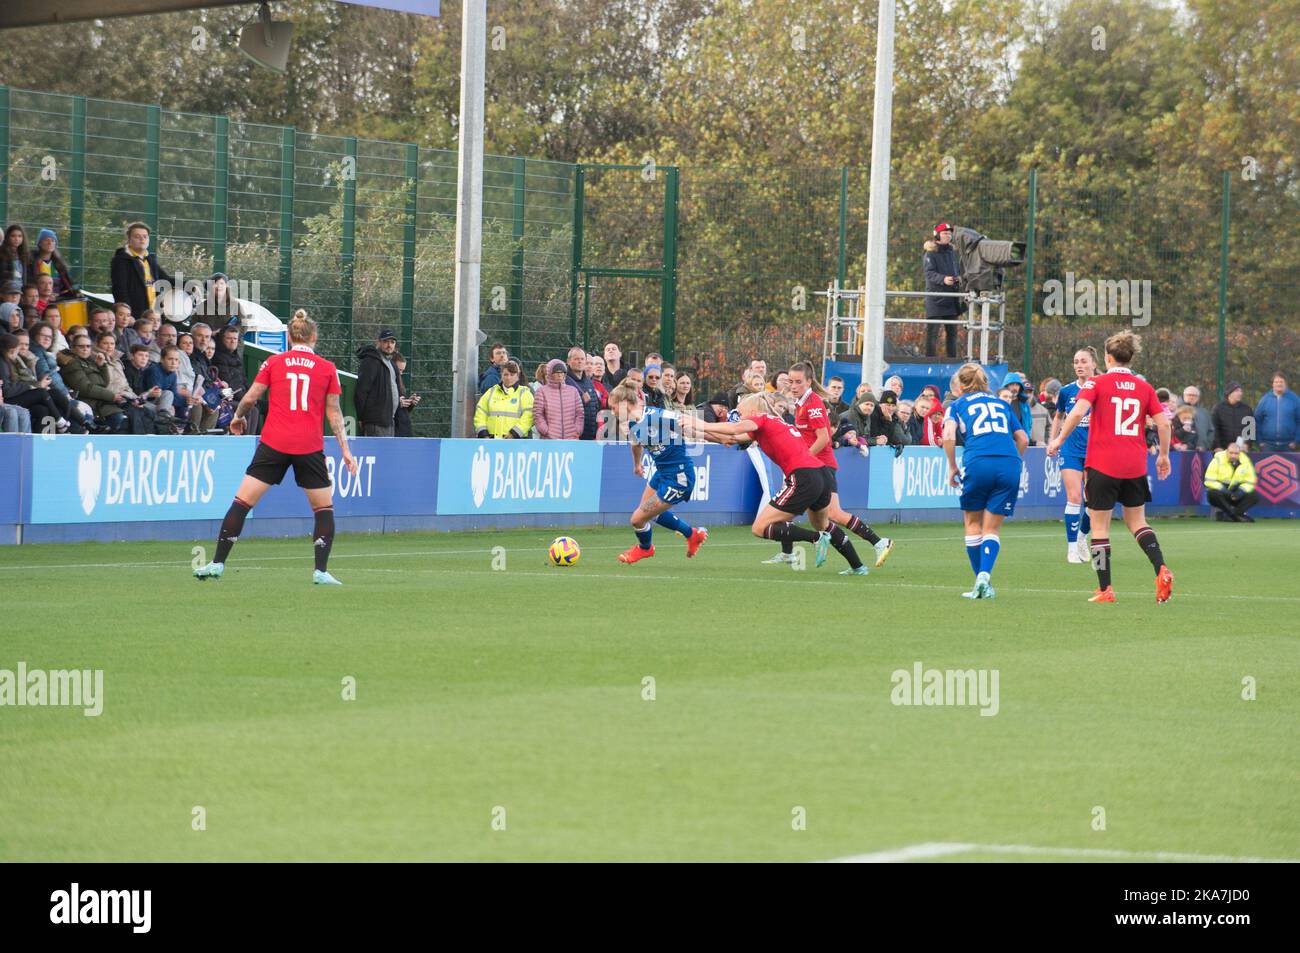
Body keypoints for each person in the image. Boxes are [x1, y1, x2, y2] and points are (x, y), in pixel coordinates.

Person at [195, 310, 357, 585]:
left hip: (274, 443)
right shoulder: (327, 368)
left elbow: (250, 397)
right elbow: (334, 414)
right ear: (314, 337)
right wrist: (345, 450)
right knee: (323, 509)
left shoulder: (274, 362)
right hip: (308, 445)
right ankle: (321, 571)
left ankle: (217, 563)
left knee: (242, 502)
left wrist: (236, 418)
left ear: (289, 336)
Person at [1048, 331, 1174, 605]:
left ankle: (1106, 589)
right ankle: (1161, 568)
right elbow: (1164, 424)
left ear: (1106, 358)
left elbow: (1078, 412)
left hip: (1102, 464)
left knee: (1100, 528)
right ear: (1131, 358)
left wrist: (1058, 439)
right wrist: (1163, 455)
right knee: (1138, 522)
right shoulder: (1145, 388)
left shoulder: (1095, 383)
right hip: (1134, 464)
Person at [681, 393, 845, 565]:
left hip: (804, 475)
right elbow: (730, 439)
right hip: (816, 473)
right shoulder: (767, 423)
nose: (740, 418)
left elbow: (735, 430)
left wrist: (700, 423)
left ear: (753, 410)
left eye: (741, 413)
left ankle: (817, 539)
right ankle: (855, 563)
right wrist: (698, 432)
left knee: (761, 527)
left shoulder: (762, 418)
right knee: (780, 523)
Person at [763, 361, 894, 573]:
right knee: (819, 521)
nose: (793, 385)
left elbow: (823, 438)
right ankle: (857, 565)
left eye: (798, 382)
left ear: (808, 382)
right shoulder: (801, 403)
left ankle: (879, 542)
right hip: (813, 466)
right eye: (790, 381)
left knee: (832, 514)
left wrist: (801, 460)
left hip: (820, 466)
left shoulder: (813, 404)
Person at [943, 363, 1029, 599]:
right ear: (986, 384)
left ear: (961, 386)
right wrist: (1013, 460)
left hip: (978, 462)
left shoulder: (957, 405)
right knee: (992, 528)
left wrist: (952, 466)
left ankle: (979, 582)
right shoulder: (1002, 404)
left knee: (973, 524)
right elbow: (1022, 437)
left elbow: (948, 435)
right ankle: (985, 577)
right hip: (1008, 464)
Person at [605, 380, 709, 564]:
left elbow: (687, 424)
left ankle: (646, 549)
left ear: (624, 404)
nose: (612, 412)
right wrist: (637, 465)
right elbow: (636, 444)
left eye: (613, 408)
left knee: (637, 519)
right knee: (644, 514)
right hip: (661, 473)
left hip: (679, 476)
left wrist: (719, 435)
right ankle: (692, 535)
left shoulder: (657, 415)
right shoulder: (632, 425)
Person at [1050, 347, 1098, 564]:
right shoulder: (1067, 390)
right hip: (1070, 448)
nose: (1079, 365)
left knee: (1093, 501)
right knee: (1074, 497)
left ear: (1094, 364)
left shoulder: (1102, 388)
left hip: (1095, 450)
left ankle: (1082, 537)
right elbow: (1059, 416)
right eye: (1076, 361)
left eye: (1084, 361)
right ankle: (1071, 548)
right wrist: (1054, 440)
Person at [0, 331, 67, 432]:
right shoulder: (3, 364)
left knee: (42, 409)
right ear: (12, 350)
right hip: (7, 400)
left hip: (13, 396)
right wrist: (29, 386)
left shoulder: (10, 361)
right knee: (41, 393)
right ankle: (60, 421)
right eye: (18, 350)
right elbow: (7, 391)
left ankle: (40, 441)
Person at [61, 334, 128, 432]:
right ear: (73, 348)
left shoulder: (89, 361)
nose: (85, 349)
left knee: (126, 418)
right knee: (118, 419)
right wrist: (111, 396)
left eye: (88, 346)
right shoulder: (72, 363)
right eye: (81, 346)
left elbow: (103, 383)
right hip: (88, 402)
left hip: (100, 402)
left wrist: (102, 366)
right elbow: (84, 387)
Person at [110, 222, 173, 322]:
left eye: (145, 236)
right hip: (135, 317)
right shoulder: (121, 260)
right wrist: (127, 314)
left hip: (154, 315)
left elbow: (167, 280)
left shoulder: (150, 260)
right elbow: (120, 289)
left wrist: (192, 286)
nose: (142, 239)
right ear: (129, 240)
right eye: (137, 236)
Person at [923, 222, 962, 359]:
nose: (948, 236)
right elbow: (929, 273)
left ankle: (952, 360)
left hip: (951, 298)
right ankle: (930, 361)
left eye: (950, 233)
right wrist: (943, 279)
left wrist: (958, 279)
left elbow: (957, 269)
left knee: (952, 333)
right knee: (932, 333)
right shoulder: (930, 253)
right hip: (935, 299)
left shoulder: (953, 252)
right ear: (937, 235)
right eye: (945, 233)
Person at [355, 328, 401, 436]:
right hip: (375, 422)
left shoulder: (393, 365)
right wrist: (361, 417)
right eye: (385, 341)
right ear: (378, 342)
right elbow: (362, 390)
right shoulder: (370, 361)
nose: (389, 345)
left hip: (390, 421)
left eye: (392, 342)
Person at [474, 359, 534, 438]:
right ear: (501, 375)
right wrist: (483, 433)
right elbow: (480, 414)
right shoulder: (491, 392)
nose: (508, 378)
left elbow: (529, 416)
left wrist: (514, 433)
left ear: (518, 376)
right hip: (490, 441)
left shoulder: (525, 393)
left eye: (512, 375)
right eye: (506, 374)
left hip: (516, 442)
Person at [1204, 443, 1258, 522]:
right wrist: (1224, 491)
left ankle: (1233, 515)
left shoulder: (1246, 462)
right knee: (1213, 493)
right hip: (1221, 492)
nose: (1233, 456)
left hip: (1236, 492)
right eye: (1231, 453)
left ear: (1240, 453)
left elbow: (1250, 481)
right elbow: (1209, 480)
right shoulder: (1217, 459)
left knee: (1254, 495)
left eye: (1236, 453)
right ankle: (1234, 516)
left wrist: (1241, 491)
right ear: (1226, 452)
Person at [533, 358, 583, 439]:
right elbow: (538, 415)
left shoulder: (573, 391)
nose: (560, 375)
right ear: (550, 373)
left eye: (562, 372)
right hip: (549, 441)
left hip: (571, 439)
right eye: (556, 372)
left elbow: (580, 414)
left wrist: (577, 430)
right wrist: (546, 431)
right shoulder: (541, 391)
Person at [1254, 373, 1299, 451]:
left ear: (1286, 384)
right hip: (1268, 445)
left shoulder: (1295, 399)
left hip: (1288, 446)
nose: (1279, 384)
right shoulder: (1265, 400)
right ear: (1272, 384)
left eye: (1281, 382)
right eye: (1276, 382)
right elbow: (1257, 420)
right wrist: (1259, 441)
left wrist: (1296, 441)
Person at [26, 228, 76, 297]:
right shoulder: (31, 263)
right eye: (46, 240)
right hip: (38, 300)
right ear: (39, 243)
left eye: (53, 241)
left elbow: (70, 285)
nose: (50, 243)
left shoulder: (59, 265)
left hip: (57, 301)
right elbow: (29, 283)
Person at [565, 345, 600, 439]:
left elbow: (595, 406)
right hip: (573, 436)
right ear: (568, 361)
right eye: (576, 359)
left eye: (582, 359)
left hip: (590, 435)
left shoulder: (589, 382)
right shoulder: (565, 382)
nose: (580, 361)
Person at [1211, 382, 1252, 451]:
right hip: (1222, 448)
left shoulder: (1247, 409)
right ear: (1229, 393)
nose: (1240, 393)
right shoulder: (1218, 408)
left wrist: (1247, 444)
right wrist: (1217, 446)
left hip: (1241, 448)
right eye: (1236, 391)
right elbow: (1214, 428)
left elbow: (1250, 429)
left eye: (1241, 391)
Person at [1000, 371, 1035, 442]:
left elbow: (1029, 423)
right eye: (1012, 384)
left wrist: (1026, 438)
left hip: (1021, 442)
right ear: (1006, 386)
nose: (1015, 387)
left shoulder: (1024, 403)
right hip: (1004, 442)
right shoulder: (999, 403)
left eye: (1017, 385)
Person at [1178, 385, 1215, 451]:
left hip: (1202, 451)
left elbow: (1211, 431)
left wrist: (1206, 445)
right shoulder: (1177, 410)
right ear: (1184, 395)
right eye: (1189, 395)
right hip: (1181, 451)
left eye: (1194, 395)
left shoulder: (1204, 412)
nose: (1191, 397)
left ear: (1198, 398)